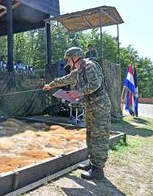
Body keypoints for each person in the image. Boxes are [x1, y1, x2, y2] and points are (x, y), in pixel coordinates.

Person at [43, 47, 111, 180]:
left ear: (75, 57)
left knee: (99, 136)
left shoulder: (90, 66)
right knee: (90, 134)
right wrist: (51, 85)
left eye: (68, 59)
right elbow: (66, 79)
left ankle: (98, 170)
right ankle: (92, 164)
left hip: (100, 106)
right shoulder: (79, 71)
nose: (68, 63)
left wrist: (78, 93)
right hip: (91, 106)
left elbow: (95, 84)